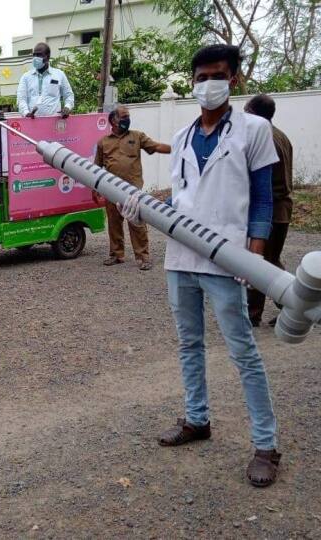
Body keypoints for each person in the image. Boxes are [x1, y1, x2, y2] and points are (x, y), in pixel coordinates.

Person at [120, 45, 281, 487]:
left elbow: (263, 200)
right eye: (200, 76)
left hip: (227, 257)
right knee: (189, 344)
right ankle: (197, 419)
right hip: (181, 258)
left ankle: (266, 445)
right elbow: (184, 197)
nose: (207, 84)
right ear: (192, 81)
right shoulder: (186, 134)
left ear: (234, 80)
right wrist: (147, 205)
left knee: (243, 351)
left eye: (217, 75)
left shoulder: (254, 130)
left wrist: (255, 256)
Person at [94, 105, 171, 270]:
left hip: (133, 190)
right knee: (114, 223)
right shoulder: (103, 142)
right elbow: (96, 168)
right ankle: (116, 254)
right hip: (110, 189)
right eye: (123, 116)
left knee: (137, 223)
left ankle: (143, 257)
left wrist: (178, 149)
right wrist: (94, 189)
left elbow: (156, 147)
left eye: (128, 116)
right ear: (113, 120)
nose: (127, 120)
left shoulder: (137, 136)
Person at [244, 94, 294, 327]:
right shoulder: (281, 135)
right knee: (269, 261)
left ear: (253, 113)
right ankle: (257, 311)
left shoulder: (264, 139)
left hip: (271, 209)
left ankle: (296, 306)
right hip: (280, 208)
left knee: (263, 263)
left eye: (246, 111)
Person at [17, 42, 74, 119]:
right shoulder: (26, 77)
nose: (36, 58)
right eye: (34, 55)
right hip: (32, 123)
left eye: (39, 55)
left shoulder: (59, 74)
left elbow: (69, 95)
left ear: (48, 57)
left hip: (54, 123)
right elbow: (21, 99)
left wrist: (67, 108)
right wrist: (26, 113)